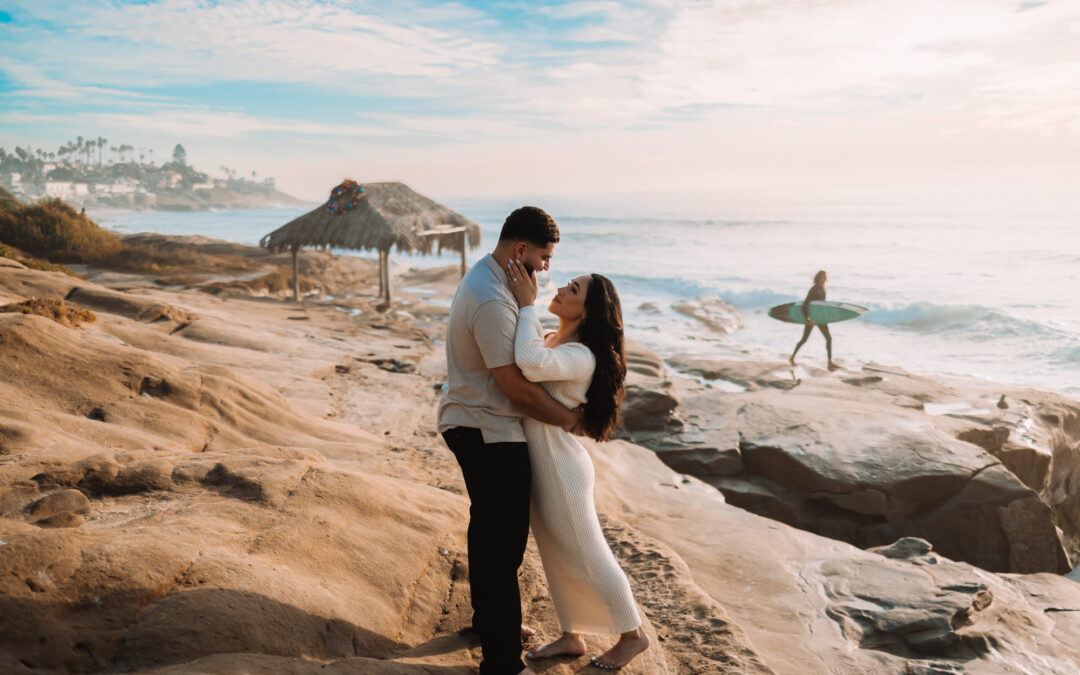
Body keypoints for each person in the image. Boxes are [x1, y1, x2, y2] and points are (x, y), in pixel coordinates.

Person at [437, 206, 580, 675]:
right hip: (486, 428)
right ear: (520, 249)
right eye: (544, 256)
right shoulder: (495, 299)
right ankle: (501, 662)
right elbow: (515, 386)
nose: (546, 267)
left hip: (474, 421)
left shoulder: (489, 278)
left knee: (488, 531)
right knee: (504, 545)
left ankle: (487, 622)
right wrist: (569, 419)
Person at [505, 259, 650, 671]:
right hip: (544, 464)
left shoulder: (581, 356)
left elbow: (529, 364)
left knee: (588, 553)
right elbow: (529, 354)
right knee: (557, 554)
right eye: (567, 284)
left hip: (561, 469)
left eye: (574, 289)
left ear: (585, 312)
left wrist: (526, 304)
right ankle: (573, 635)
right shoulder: (553, 339)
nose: (563, 290)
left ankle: (633, 635)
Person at [789, 269, 838, 370]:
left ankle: (829, 362)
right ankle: (792, 357)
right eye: (823, 277)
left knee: (828, 338)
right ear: (818, 278)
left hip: (820, 319)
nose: (824, 279)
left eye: (825, 277)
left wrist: (825, 317)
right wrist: (808, 319)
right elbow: (805, 305)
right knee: (804, 339)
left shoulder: (823, 290)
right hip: (811, 318)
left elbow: (821, 306)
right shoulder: (814, 289)